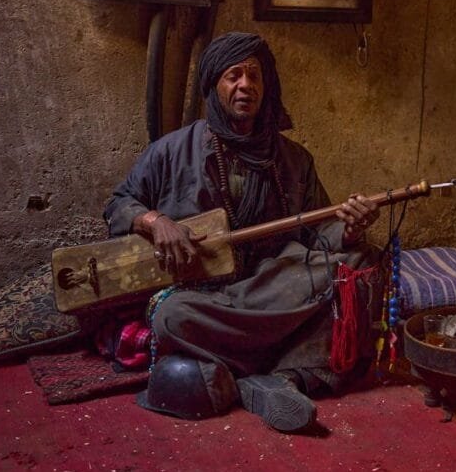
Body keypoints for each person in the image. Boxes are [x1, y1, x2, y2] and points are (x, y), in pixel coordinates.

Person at [103, 31, 381, 432]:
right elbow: (118, 203)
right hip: (204, 297)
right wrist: (154, 221)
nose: (245, 85)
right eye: (234, 75)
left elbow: (320, 235)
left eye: (254, 76)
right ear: (215, 84)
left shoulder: (294, 159)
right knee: (170, 318)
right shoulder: (171, 150)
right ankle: (286, 367)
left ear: (266, 87)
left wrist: (350, 230)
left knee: (360, 267)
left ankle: (263, 378)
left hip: (271, 287)